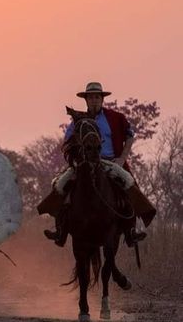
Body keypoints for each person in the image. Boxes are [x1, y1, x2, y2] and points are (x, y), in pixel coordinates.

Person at [39, 82, 156, 247]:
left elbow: (130, 136)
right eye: (90, 98)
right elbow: (68, 140)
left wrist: (122, 158)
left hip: (109, 162)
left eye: (97, 97)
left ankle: (131, 231)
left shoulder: (116, 118)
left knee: (129, 184)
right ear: (86, 100)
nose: (94, 100)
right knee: (60, 185)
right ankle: (60, 230)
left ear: (102, 99)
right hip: (83, 163)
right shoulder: (78, 120)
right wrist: (76, 158)